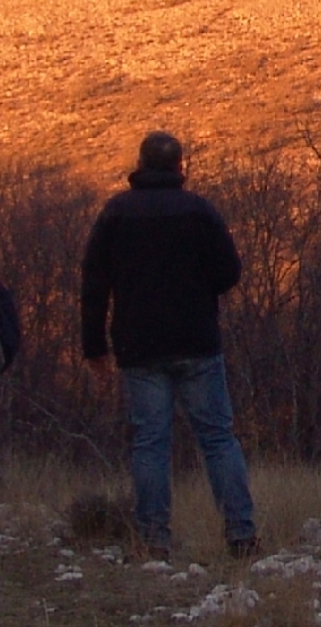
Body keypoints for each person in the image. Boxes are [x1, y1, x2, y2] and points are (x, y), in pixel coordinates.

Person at [80, 131, 259, 560]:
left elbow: (93, 283)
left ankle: (154, 539)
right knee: (217, 439)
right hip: (196, 341)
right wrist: (197, 291)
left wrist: (94, 346)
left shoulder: (116, 213)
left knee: (150, 443)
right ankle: (241, 535)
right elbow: (229, 272)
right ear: (181, 166)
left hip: (139, 346)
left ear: (140, 165)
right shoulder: (198, 211)